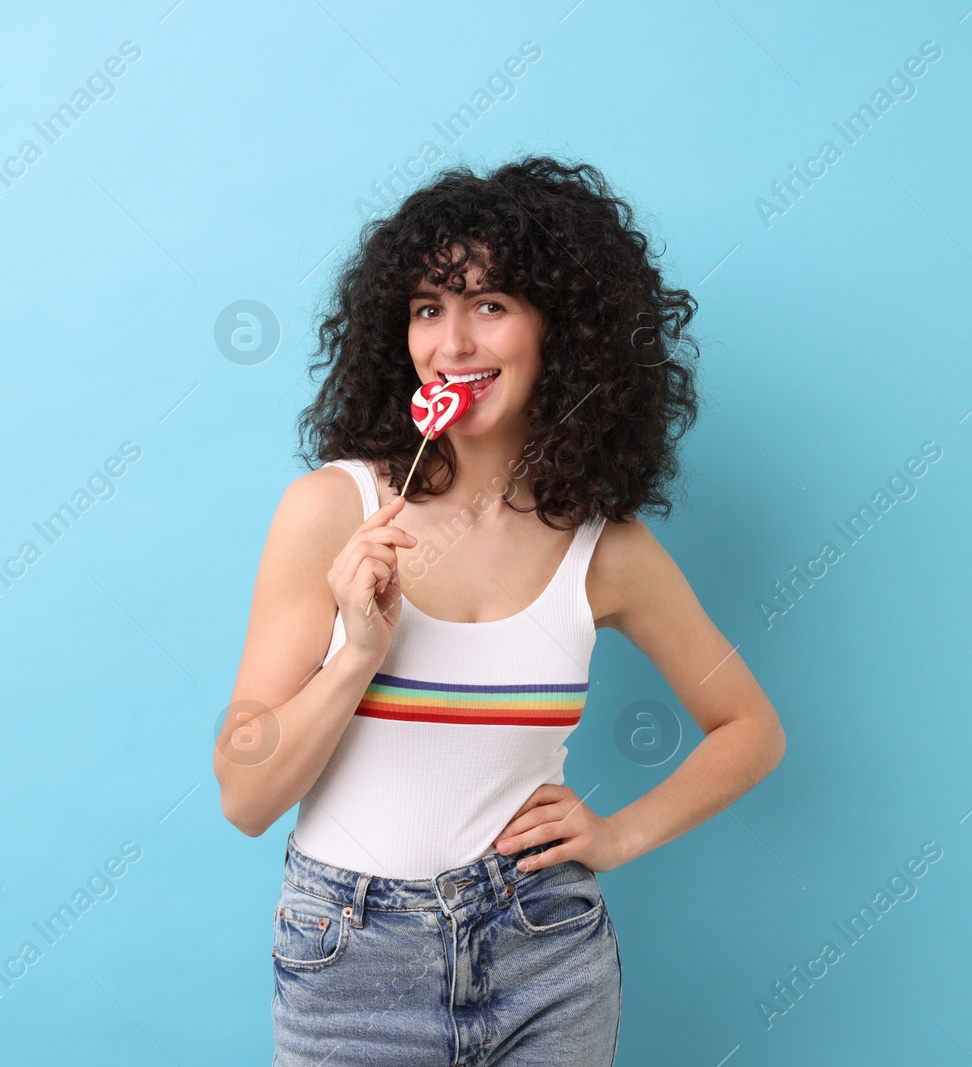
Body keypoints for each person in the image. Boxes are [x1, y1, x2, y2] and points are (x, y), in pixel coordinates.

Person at [217, 156, 785, 1066]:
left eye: (491, 305)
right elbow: (245, 796)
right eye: (428, 308)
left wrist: (617, 833)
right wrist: (357, 654)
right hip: (351, 962)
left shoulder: (608, 551)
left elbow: (750, 727)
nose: (452, 344)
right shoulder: (333, 510)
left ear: (564, 330)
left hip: (546, 952)